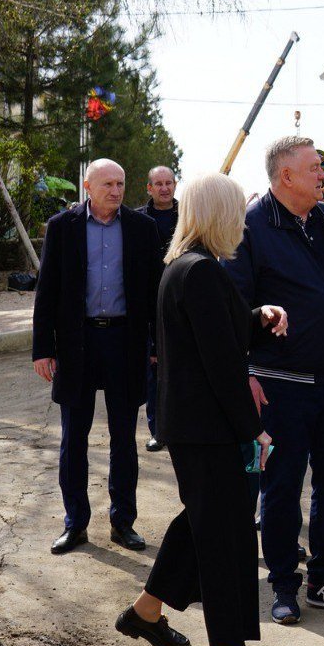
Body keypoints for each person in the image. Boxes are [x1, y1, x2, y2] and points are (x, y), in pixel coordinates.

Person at [114, 172, 295, 646]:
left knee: (200, 524)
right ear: (220, 214)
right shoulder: (203, 274)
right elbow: (222, 368)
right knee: (226, 543)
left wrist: (259, 317)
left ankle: (146, 613)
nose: (242, 222)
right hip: (210, 430)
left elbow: (220, 331)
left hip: (193, 428)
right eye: (237, 211)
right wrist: (254, 429)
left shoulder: (187, 268)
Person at [221, 136, 324, 626]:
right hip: (281, 384)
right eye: (313, 169)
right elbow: (231, 308)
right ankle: (284, 584)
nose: (323, 177)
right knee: (282, 488)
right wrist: (242, 370)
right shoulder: (250, 226)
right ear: (285, 176)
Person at [32, 159, 161, 555]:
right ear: (87, 185)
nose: (116, 191)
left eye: (121, 184)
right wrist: (43, 348)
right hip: (78, 343)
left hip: (124, 342)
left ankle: (124, 522)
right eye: (107, 183)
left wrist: (156, 347)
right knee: (74, 438)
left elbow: (154, 292)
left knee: (124, 438)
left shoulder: (142, 228)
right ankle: (75, 524)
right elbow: (47, 290)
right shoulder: (63, 227)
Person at [137, 166, 179, 453]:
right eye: (158, 184)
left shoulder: (189, 214)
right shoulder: (138, 220)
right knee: (154, 370)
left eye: (169, 183)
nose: (164, 188)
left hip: (183, 298)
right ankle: (158, 430)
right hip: (150, 303)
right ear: (149, 188)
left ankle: (183, 426)